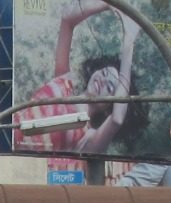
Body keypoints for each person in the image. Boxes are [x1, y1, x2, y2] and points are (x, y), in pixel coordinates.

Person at [14, 0, 143, 156]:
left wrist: (129, 41)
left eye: (109, 87)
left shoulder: (88, 137)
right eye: (103, 73)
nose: (102, 80)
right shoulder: (63, 81)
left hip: (19, 161)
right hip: (3, 133)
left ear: (109, 107)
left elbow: (117, 119)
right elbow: (67, 20)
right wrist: (109, 4)